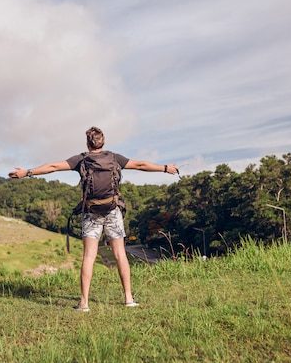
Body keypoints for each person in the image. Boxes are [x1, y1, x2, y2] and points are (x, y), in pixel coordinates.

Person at [9, 126, 179, 311]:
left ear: (88, 143)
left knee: (89, 256)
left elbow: (53, 167)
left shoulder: (81, 159)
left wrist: (27, 172)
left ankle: (84, 303)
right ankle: (129, 299)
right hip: (113, 210)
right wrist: (165, 168)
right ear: (103, 142)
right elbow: (140, 165)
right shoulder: (115, 158)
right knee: (120, 254)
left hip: (91, 213)